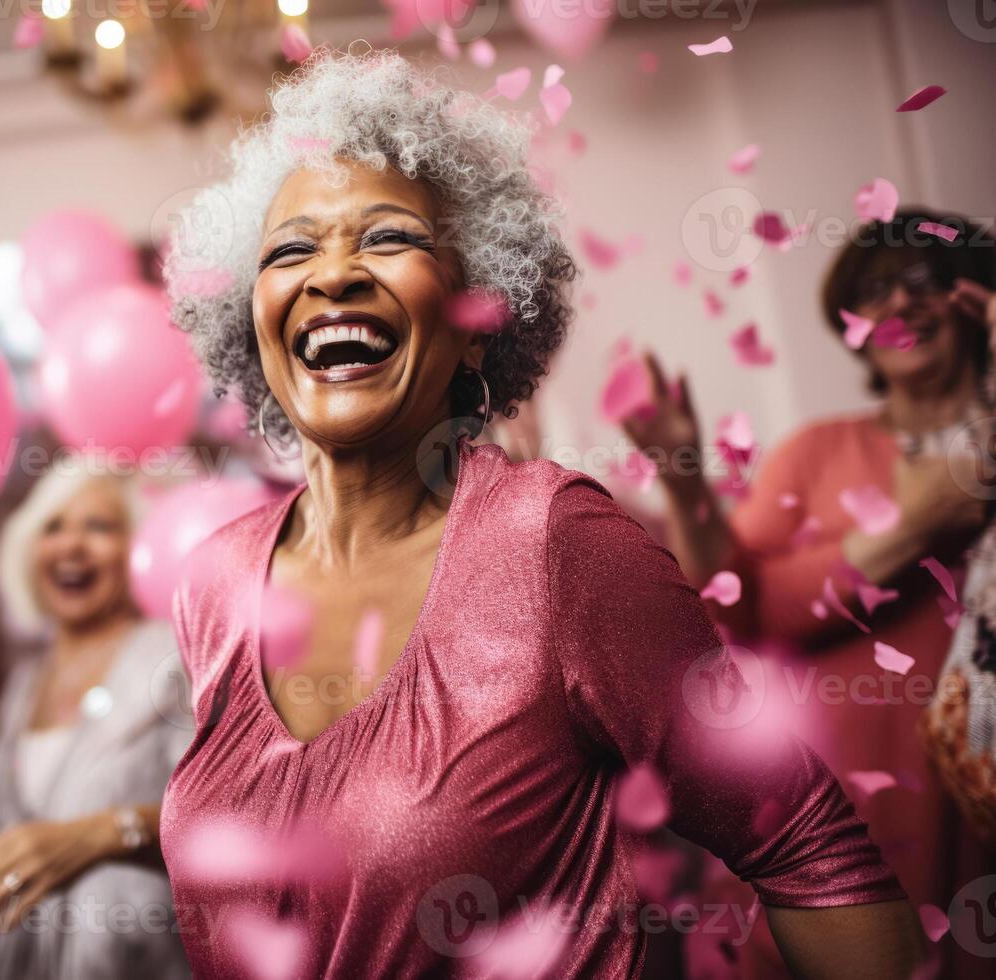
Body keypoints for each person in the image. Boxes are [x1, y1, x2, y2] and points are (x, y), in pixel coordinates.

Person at [156, 47, 924, 978]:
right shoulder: (215, 580)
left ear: (478, 319)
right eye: (290, 249)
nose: (334, 275)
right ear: (254, 324)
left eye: (388, 238)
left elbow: (810, 851)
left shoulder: (556, 545)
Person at [623, 210, 996, 976]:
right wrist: (684, 473)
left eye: (926, 280)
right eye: (875, 292)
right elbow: (736, 606)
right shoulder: (820, 450)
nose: (900, 304)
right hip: (842, 810)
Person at [0, 466, 193, 979]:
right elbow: (39, 811)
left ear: (136, 549)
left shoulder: (172, 660)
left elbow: (225, 816)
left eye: (99, 527)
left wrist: (99, 835)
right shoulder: (25, 684)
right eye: (53, 527)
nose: (71, 546)